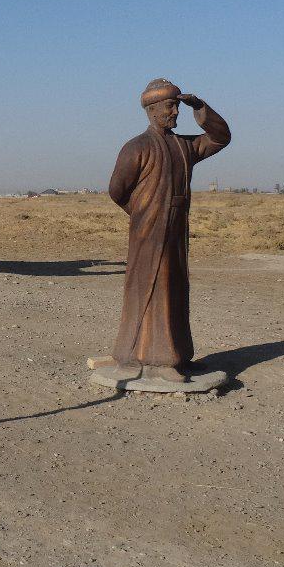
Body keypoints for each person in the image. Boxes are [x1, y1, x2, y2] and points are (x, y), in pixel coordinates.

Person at [106, 79, 231, 382]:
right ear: (151, 110)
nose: (176, 111)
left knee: (174, 288)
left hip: (175, 230)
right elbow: (117, 190)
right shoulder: (136, 147)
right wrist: (143, 215)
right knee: (150, 288)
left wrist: (200, 108)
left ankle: (176, 356)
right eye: (170, 105)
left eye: (177, 104)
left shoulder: (184, 145)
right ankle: (144, 359)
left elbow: (220, 138)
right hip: (148, 233)